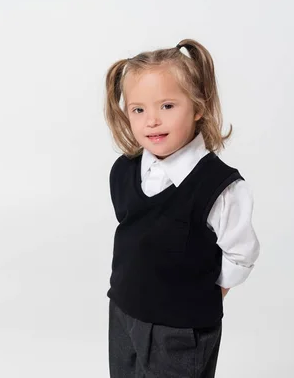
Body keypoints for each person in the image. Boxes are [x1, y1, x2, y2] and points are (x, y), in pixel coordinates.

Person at [104, 39, 260, 377]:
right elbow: (138, 231)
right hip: (124, 313)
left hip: (181, 329)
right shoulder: (125, 171)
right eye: (139, 110)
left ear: (198, 107)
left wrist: (202, 296)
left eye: (168, 106)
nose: (152, 121)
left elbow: (240, 253)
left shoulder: (219, 186)